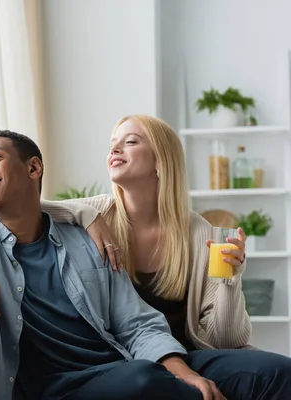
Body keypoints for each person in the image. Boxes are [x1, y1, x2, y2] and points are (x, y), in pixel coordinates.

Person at [0, 130, 291, 400]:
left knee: (272, 372)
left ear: (34, 169)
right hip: (60, 385)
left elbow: (135, 322)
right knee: (145, 383)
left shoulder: (86, 238)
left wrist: (185, 372)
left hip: (128, 361)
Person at [40, 114, 250, 351]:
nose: (115, 149)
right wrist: (85, 215)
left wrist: (230, 278)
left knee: (275, 369)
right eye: (112, 145)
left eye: (130, 142)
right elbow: (24, 209)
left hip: (185, 356)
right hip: (119, 360)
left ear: (160, 160)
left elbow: (228, 341)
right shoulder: (96, 213)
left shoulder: (198, 233)